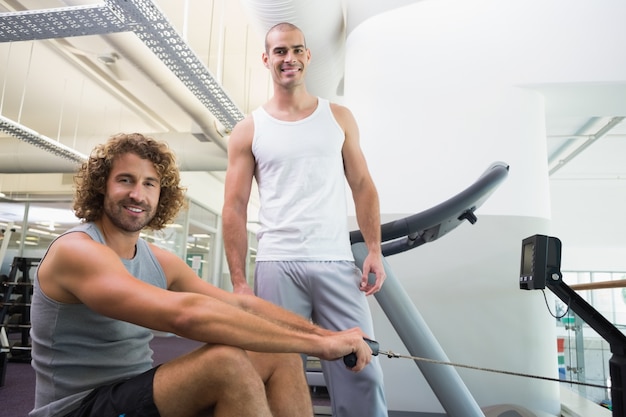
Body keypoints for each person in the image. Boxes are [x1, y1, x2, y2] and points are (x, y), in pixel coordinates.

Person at [29, 133, 374, 417]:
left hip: (138, 393)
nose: (138, 194)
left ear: (160, 194)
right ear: (102, 186)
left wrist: (328, 333)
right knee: (226, 363)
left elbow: (244, 307)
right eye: (125, 180)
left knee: (278, 353)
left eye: (150, 183)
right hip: (77, 408)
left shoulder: (160, 261)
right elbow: (185, 315)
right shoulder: (77, 251)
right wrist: (317, 345)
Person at [222, 23, 388, 417]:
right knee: (279, 372)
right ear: (267, 59)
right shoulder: (249, 129)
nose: (289, 58)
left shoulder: (339, 117)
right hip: (277, 263)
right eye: (279, 52)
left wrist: (375, 250)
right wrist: (240, 283)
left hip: (335, 261)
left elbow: (363, 185)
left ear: (308, 56)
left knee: (361, 368)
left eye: (296, 50)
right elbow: (234, 206)